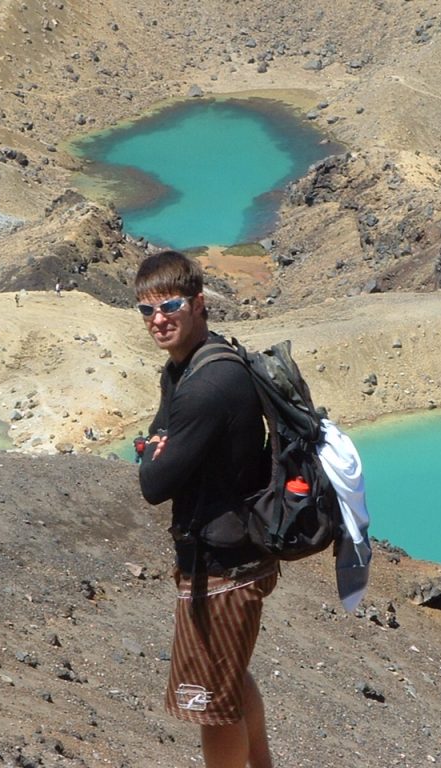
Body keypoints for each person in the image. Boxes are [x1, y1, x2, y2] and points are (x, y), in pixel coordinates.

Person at [135, 250, 276, 768]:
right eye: (146, 311)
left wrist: (156, 449)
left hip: (222, 566)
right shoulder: (188, 367)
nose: (158, 320)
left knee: (211, 704)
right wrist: (160, 445)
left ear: (198, 304)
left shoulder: (206, 386)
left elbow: (154, 480)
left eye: (169, 305)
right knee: (229, 677)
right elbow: (158, 437)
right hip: (233, 555)